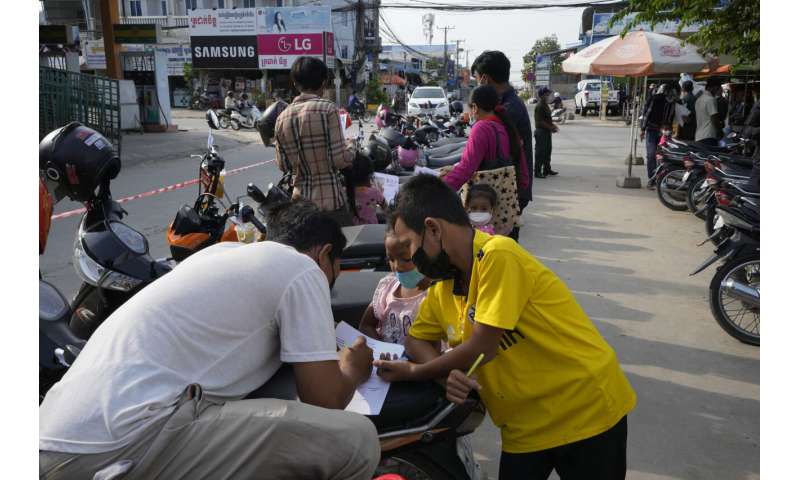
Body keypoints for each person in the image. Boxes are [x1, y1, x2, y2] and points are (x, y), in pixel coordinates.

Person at [39, 200, 380, 479]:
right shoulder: (302, 268)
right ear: (324, 255)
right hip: (117, 443)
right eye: (332, 274)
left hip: (53, 434)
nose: (328, 285)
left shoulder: (219, 254)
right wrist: (353, 369)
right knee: (356, 440)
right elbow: (323, 399)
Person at [372, 175, 637, 480]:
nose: (410, 260)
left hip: (585, 409)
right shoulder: (445, 285)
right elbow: (416, 339)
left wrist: (418, 372)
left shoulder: (498, 255)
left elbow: (482, 346)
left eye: (409, 247)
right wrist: (445, 375)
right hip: (524, 427)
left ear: (433, 229)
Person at [274, 56, 355, 226]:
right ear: (324, 83)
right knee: (341, 249)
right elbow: (340, 160)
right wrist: (351, 148)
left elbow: (284, 165)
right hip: (330, 202)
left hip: (300, 203)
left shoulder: (282, 118)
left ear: (295, 84)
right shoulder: (328, 109)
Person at [441, 85, 528, 236]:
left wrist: (437, 189)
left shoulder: (481, 128)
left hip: (482, 216)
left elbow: (466, 169)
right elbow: (523, 173)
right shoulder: (506, 127)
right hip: (507, 211)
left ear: (474, 107)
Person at [471, 51, 533, 239]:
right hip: (509, 188)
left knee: (500, 250)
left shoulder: (506, 109)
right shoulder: (507, 104)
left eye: (476, 80)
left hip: (508, 191)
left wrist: (478, 97)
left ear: (485, 79)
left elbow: (481, 142)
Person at [359, 231, 432, 344]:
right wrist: (381, 348)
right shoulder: (388, 287)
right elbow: (366, 325)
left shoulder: (436, 295)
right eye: (391, 259)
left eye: (406, 259)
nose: (397, 266)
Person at [640, 84, 676, 188]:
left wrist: (668, 129)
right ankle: (652, 178)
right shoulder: (655, 99)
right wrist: (643, 129)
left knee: (663, 156)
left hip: (664, 132)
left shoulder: (672, 103)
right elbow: (647, 114)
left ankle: (661, 179)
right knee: (651, 155)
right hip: (651, 130)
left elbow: (671, 118)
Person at [350, 152, 385, 225]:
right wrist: (380, 192)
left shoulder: (348, 193)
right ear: (370, 175)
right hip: (373, 229)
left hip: (355, 230)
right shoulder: (374, 192)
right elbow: (387, 209)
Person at [533, 86, 559, 179]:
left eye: (548, 94)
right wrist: (551, 127)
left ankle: (547, 169)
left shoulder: (545, 105)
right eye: (546, 94)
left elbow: (547, 119)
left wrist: (553, 125)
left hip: (546, 131)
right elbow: (540, 121)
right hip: (541, 132)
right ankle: (537, 171)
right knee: (540, 153)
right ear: (542, 95)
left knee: (547, 151)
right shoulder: (539, 106)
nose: (548, 95)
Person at [695, 77, 724, 146]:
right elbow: (714, 118)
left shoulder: (699, 100)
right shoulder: (711, 99)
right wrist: (720, 131)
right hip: (709, 136)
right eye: (718, 88)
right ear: (713, 87)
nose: (718, 90)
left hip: (699, 136)